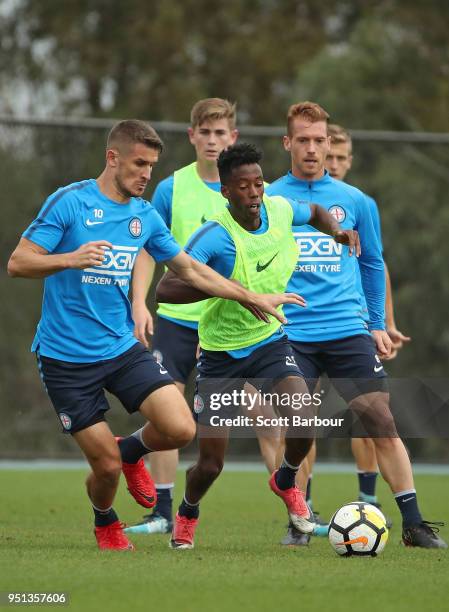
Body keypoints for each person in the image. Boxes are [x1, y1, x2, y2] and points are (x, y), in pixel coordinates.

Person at [7, 120, 306, 551]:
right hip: (65, 358)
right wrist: (70, 259)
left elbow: (188, 269)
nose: (147, 173)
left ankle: (131, 452)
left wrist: (249, 296)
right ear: (113, 158)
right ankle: (105, 519)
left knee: (181, 427)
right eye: (139, 163)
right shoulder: (70, 203)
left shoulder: (144, 215)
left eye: (152, 165)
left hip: (120, 347)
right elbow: (19, 262)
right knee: (105, 470)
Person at [154, 142, 360, 549]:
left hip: (268, 342)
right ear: (226, 192)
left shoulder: (281, 210)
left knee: (304, 421)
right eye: (243, 186)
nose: (254, 192)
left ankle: (284, 479)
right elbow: (167, 288)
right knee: (211, 465)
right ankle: (187, 512)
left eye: (258, 183)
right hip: (219, 354)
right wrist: (233, 291)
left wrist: (337, 232)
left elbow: (316, 212)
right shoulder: (215, 236)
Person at [266, 101, 447, 549]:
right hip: (291, 332)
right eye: (303, 140)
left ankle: (413, 524)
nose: (312, 148)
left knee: (382, 421)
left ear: (329, 144)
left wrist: (376, 322)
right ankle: (300, 521)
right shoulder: (268, 197)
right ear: (288, 143)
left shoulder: (357, 202)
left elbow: (372, 264)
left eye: (319, 140)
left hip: (347, 330)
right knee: (299, 428)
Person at [127, 98, 278, 536]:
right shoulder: (172, 188)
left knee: (267, 414)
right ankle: (162, 511)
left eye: (221, 133)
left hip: (232, 323)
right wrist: (139, 304)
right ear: (192, 136)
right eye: (205, 133)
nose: (212, 140)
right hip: (177, 319)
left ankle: (297, 508)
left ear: (232, 137)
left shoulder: (255, 193)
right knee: (168, 415)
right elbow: (149, 250)